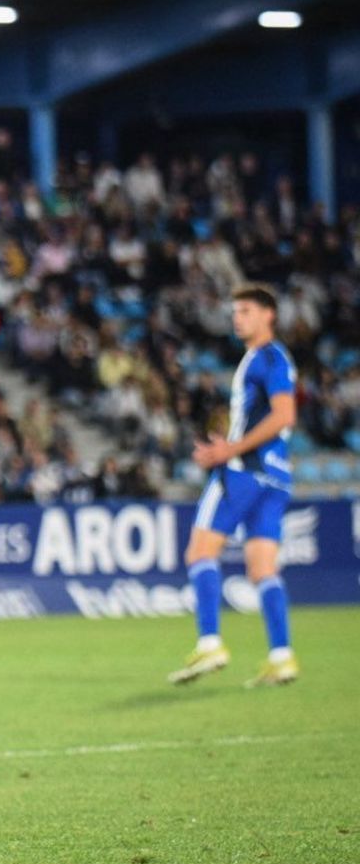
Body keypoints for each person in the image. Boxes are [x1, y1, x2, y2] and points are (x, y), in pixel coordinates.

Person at [169, 283, 298, 687]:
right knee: (263, 569)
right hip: (275, 477)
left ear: (268, 315)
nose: (236, 317)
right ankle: (281, 656)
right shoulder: (270, 360)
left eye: (244, 311)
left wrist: (231, 450)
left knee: (200, 552)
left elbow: (284, 415)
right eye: (235, 311)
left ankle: (210, 643)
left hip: (244, 471)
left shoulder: (267, 358)